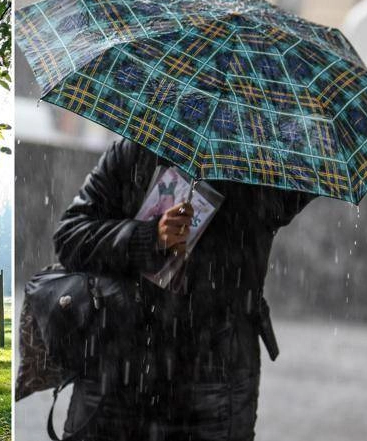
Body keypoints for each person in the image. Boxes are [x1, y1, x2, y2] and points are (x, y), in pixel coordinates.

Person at [53, 138, 314, 441]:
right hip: (116, 372)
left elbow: (297, 187)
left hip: (212, 384)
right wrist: (148, 238)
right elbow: (70, 236)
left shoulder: (263, 166)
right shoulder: (137, 150)